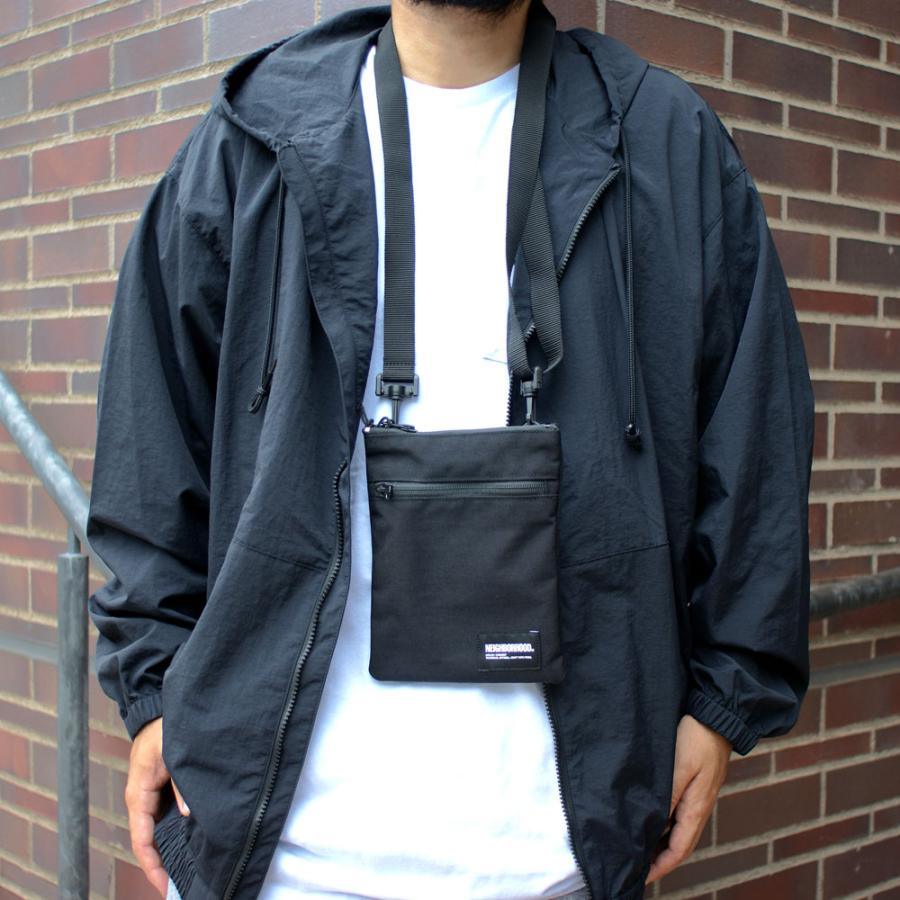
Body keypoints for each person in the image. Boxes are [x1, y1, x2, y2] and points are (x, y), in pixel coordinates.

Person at [85, 0, 815, 897]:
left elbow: (756, 433)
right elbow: (151, 432)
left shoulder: (663, 138)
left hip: (559, 855)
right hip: (273, 853)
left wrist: (723, 698)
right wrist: (152, 687)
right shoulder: (256, 136)